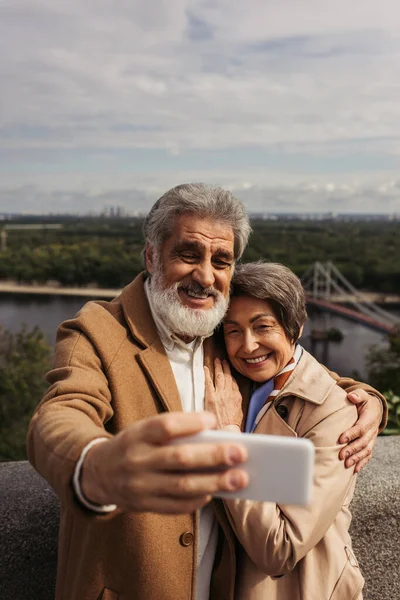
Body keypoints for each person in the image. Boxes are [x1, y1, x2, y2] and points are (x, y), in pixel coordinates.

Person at [27, 184, 386, 600]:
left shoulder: (222, 330)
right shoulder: (96, 332)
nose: (205, 276)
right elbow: (58, 415)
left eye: (222, 260)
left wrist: (365, 398)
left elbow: (294, 366)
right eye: (188, 254)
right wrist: (96, 463)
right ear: (151, 255)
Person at [205, 261, 369, 600]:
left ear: (295, 327)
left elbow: (279, 549)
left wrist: (228, 438)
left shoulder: (335, 414)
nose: (248, 346)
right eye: (233, 330)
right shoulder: (236, 381)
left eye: (263, 327)